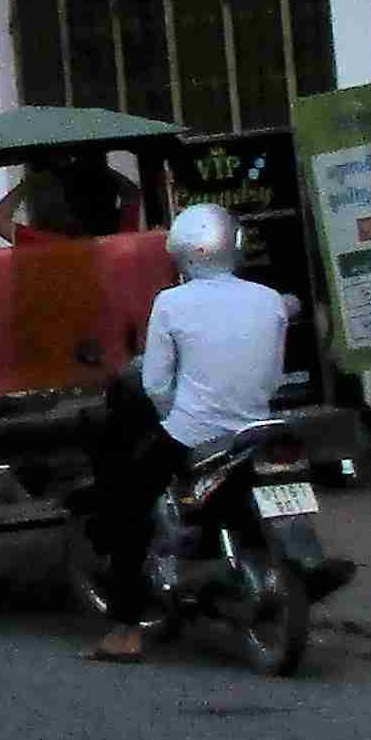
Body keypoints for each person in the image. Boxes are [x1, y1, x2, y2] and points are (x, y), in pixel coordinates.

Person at [90, 201, 295, 660]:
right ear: (233, 245)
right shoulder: (268, 299)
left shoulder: (170, 302)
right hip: (257, 427)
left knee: (127, 507)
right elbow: (273, 377)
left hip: (194, 433)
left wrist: (172, 416)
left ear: (182, 252)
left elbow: (155, 385)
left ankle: (125, 630)